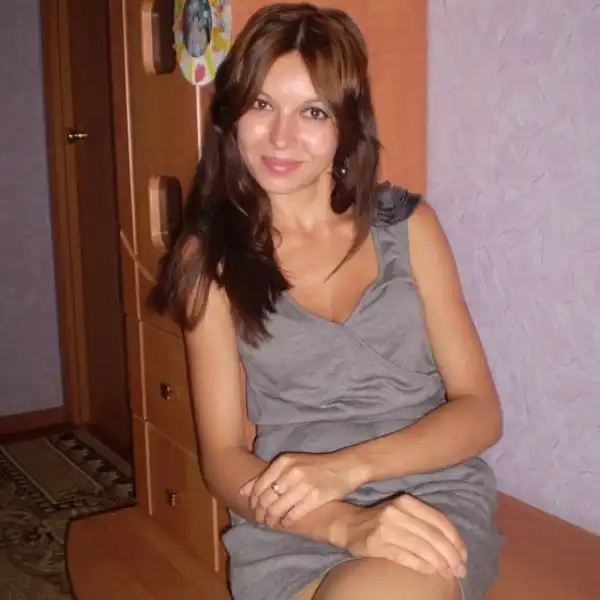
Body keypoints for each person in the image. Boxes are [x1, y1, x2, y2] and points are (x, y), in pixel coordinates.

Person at [151, 3, 503, 600]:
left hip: (426, 490)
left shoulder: (409, 228)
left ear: (346, 125)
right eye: (262, 104)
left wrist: (350, 469)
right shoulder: (207, 259)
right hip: (293, 512)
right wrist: (344, 523)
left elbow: (481, 411)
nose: (281, 136)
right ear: (233, 115)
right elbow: (223, 458)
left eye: (312, 111)